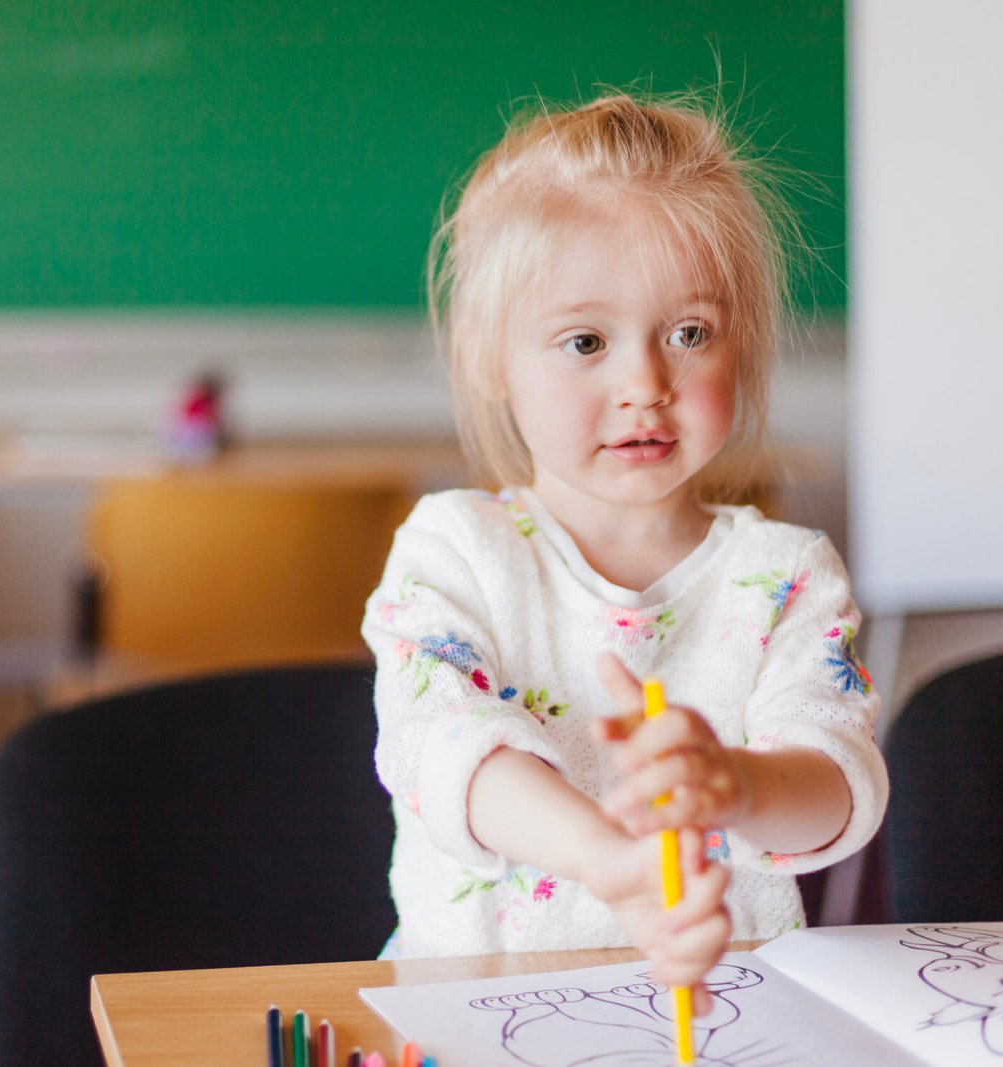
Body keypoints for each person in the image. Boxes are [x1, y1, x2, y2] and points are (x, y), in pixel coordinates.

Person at [361, 90, 888, 1004]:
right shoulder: (455, 551)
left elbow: (839, 787)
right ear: (492, 359)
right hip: (478, 1013)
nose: (644, 382)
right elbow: (444, 746)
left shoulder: (788, 576)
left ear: (746, 346)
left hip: (729, 1020)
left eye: (690, 333)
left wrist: (738, 782)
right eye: (585, 341)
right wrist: (613, 860)